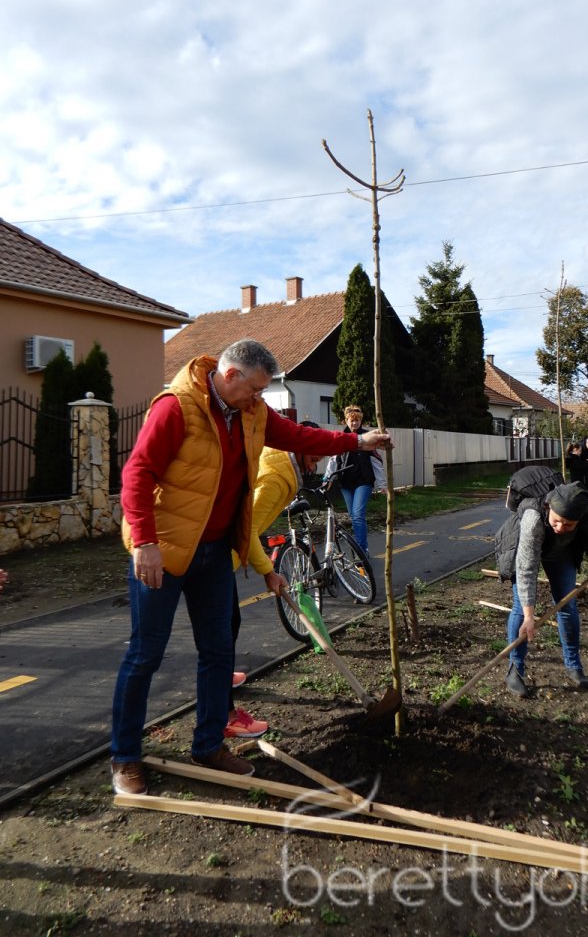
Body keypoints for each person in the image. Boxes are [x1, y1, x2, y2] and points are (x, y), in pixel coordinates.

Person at [111, 340, 391, 796]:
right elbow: (137, 473)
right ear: (230, 374)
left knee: (219, 653)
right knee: (146, 655)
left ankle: (208, 746)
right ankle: (124, 757)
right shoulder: (176, 408)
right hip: (163, 550)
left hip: (216, 553)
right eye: (255, 389)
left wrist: (356, 440)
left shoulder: (253, 412)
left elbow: (301, 437)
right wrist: (143, 541)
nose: (259, 398)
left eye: (263, 392)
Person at [226, 422, 346, 738]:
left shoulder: (277, 458)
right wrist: (268, 570)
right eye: (315, 456)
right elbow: (246, 526)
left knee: (227, 623)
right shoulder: (278, 479)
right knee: (222, 630)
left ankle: (223, 679)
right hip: (220, 555)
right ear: (300, 445)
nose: (316, 463)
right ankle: (225, 712)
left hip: (220, 550)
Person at [505, 481, 588, 697]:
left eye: (569, 525)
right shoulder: (534, 519)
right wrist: (529, 616)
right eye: (557, 521)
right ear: (548, 508)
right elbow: (526, 569)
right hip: (525, 545)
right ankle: (515, 669)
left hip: (561, 551)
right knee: (520, 608)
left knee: (566, 604)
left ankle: (573, 665)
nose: (561, 527)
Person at [324, 405, 386, 556]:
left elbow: (376, 462)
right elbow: (333, 459)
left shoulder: (367, 437)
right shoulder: (341, 437)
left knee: (358, 515)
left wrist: (382, 484)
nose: (354, 424)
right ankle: (359, 546)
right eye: (351, 421)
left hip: (363, 481)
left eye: (357, 420)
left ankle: (362, 550)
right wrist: (327, 478)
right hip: (346, 482)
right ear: (346, 420)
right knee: (353, 516)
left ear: (361, 421)